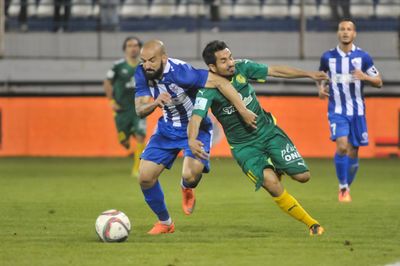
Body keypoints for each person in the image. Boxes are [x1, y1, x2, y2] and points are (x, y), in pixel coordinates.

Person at [188, 40, 329, 235]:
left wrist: (308, 74)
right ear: (212, 67)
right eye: (224, 60)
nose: (230, 63)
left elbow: (275, 71)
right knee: (272, 185)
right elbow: (196, 117)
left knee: (303, 177)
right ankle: (312, 224)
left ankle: (279, 166)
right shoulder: (207, 90)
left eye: (230, 57)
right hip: (245, 148)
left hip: (269, 133)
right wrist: (191, 139)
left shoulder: (242, 68)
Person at [134, 40, 257, 234]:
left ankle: (186, 186)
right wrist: (155, 103)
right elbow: (140, 110)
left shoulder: (182, 72)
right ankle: (165, 223)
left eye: (151, 60)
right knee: (145, 177)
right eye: (143, 61)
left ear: (164, 58)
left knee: (190, 176)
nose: (147, 65)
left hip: (196, 127)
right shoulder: (142, 73)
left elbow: (220, 82)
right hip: (167, 129)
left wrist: (242, 110)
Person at [317, 20, 382, 202]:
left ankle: (347, 186)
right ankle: (343, 187)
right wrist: (320, 88)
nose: (345, 32)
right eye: (342, 29)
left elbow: (379, 82)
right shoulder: (327, 57)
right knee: (342, 146)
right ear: (338, 33)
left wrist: (364, 77)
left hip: (358, 112)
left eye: (349, 29)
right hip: (337, 110)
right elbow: (320, 75)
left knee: (354, 151)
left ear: (354, 34)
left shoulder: (363, 57)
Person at [104, 36, 147, 177]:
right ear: (125, 49)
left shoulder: (144, 65)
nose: (133, 48)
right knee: (124, 140)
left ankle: (137, 169)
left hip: (139, 107)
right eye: (129, 45)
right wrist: (111, 102)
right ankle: (124, 137)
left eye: (135, 45)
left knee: (141, 135)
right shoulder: (118, 66)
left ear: (139, 48)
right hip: (121, 108)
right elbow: (107, 82)